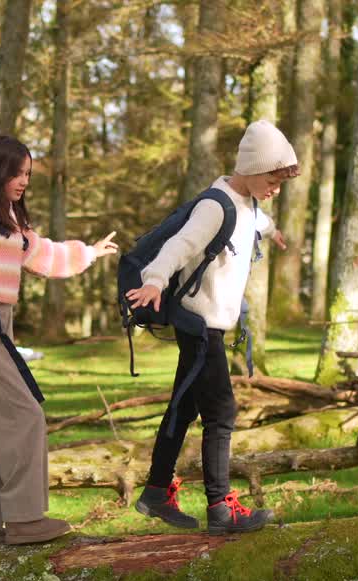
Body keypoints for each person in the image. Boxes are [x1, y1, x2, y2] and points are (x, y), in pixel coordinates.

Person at [0, 135, 119, 546]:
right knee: (25, 415)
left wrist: (90, 252)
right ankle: (25, 519)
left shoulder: (11, 223)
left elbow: (47, 256)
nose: (23, 181)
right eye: (17, 173)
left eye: (28, 174)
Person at [124, 120, 299, 535]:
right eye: (272, 180)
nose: (275, 189)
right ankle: (221, 508)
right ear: (253, 168)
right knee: (222, 413)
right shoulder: (214, 205)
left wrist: (274, 232)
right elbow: (179, 245)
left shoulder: (249, 205)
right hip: (199, 327)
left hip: (211, 327)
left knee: (184, 407)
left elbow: (258, 223)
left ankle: (155, 492)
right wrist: (153, 280)